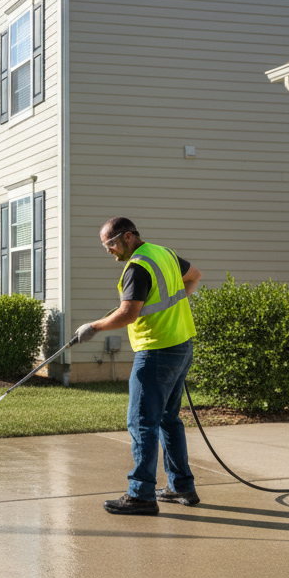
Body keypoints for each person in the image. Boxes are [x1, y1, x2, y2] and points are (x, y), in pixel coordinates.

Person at [74, 217, 203, 515]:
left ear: (128, 236)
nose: (108, 251)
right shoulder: (164, 253)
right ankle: (182, 486)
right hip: (182, 345)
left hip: (156, 351)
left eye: (110, 244)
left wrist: (93, 327)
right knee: (169, 420)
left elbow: (127, 315)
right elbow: (195, 275)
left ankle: (141, 494)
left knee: (142, 421)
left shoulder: (137, 267)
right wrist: (170, 304)